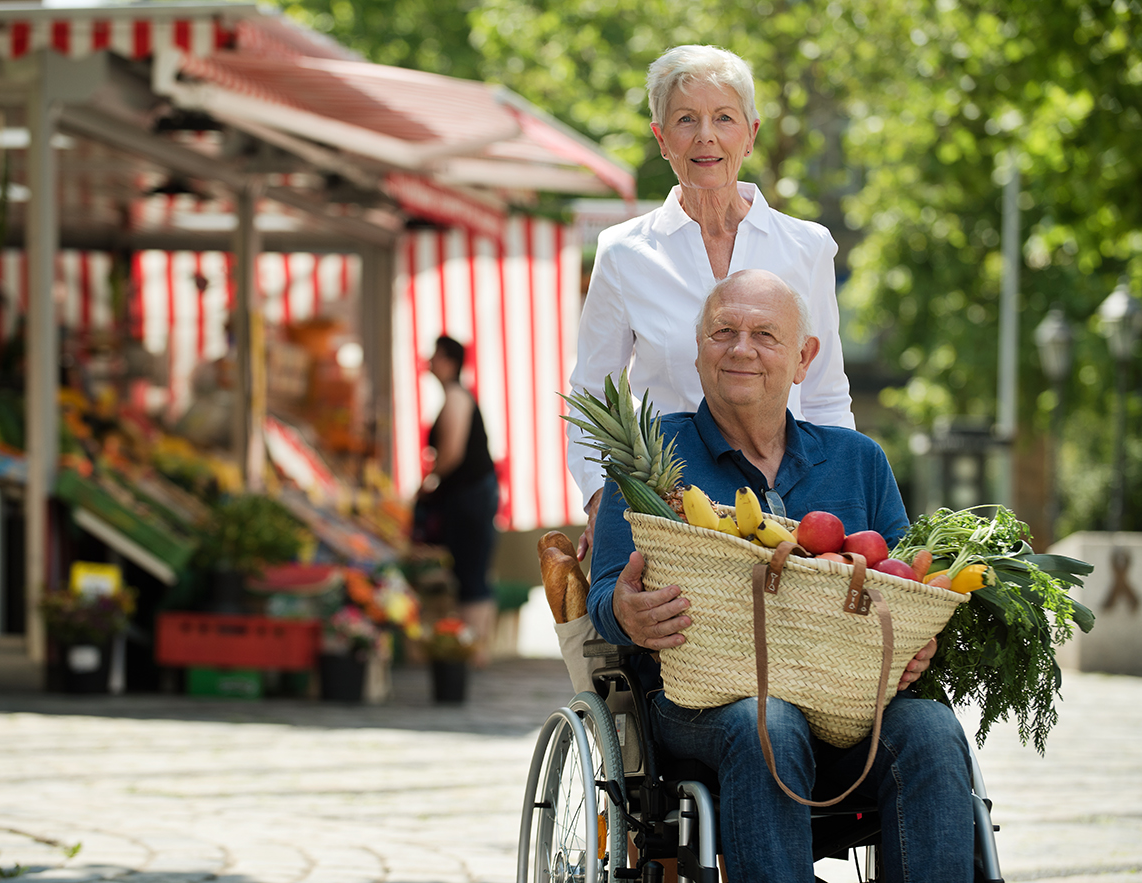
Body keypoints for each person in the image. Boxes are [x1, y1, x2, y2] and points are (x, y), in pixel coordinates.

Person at [587, 270, 972, 881]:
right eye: (723, 332)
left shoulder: (858, 460)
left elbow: (907, 586)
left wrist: (916, 640)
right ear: (698, 350)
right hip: (708, 708)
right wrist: (624, 610)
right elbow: (605, 590)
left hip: (851, 704)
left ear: (803, 358)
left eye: (765, 334)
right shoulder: (650, 458)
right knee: (769, 721)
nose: (741, 349)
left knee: (930, 727)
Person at [568, 44, 855, 560]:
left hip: (788, 509)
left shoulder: (807, 247)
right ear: (662, 139)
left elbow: (825, 394)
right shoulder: (624, 252)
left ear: (751, 134)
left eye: (724, 117)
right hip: (669, 511)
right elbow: (593, 393)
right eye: (686, 119)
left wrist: (837, 512)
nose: (706, 135)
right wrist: (600, 500)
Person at [415, 335, 499, 666]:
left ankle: (473, 649)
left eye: (435, 355)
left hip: (470, 496)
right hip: (471, 494)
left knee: (471, 570)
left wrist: (429, 483)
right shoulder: (455, 396)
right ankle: (473, 647)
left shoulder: (456, 397)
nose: (429, 361)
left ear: (449, 361)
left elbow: (451, 453)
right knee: (471, 569)